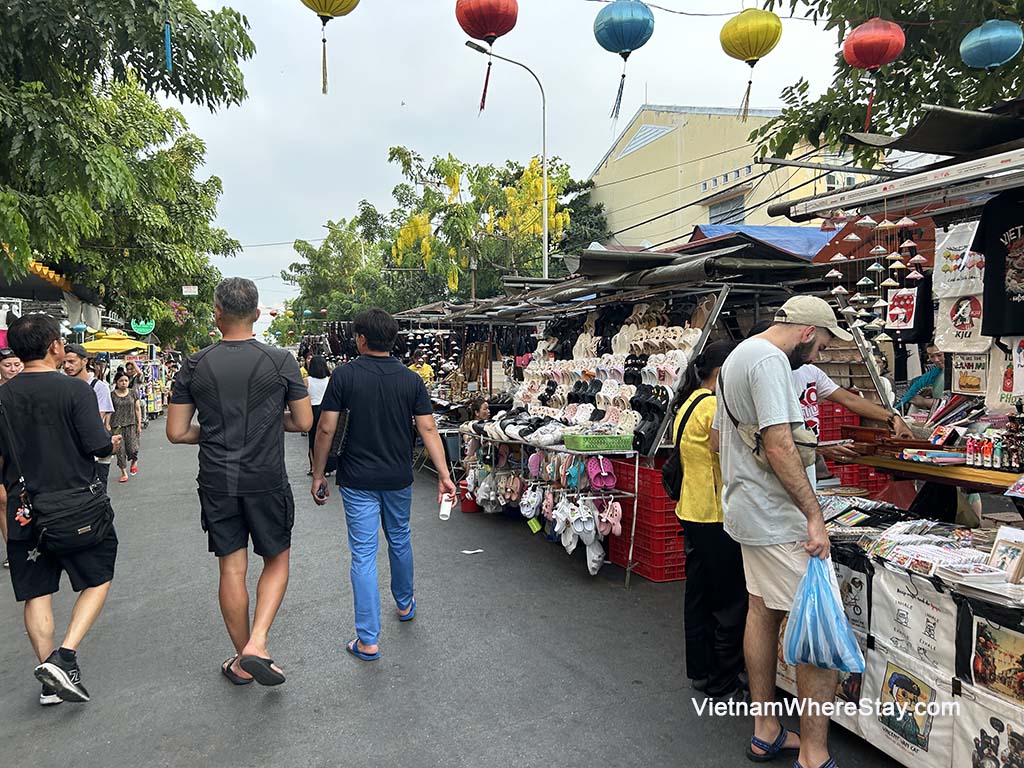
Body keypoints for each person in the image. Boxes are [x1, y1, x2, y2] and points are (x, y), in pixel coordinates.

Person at [716, 296, 850, 768]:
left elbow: (722, 440)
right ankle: (814, 754)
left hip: (750, 512)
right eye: (824, 346)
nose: (821, 357)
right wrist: (814, 515)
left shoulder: (740, 354)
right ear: (808, 332)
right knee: (818, 629)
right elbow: (778, 444)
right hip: (779, 519)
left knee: (762, 610)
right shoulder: (772, 360)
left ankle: (766, 729)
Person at [167, 277, 312, 687]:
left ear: (216, 314)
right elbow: (303, 421)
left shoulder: (195, 363)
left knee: (231, 567)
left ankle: (242, 658)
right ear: (258, 312)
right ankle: (258, 644)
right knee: (277, 559)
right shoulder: (281, 360)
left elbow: (176, 432)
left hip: (217, 479)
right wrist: (267, 425)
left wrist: (214, 430)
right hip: (265, 477)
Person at [311, 308, 456, 662]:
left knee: (363, 555)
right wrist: (444, 474)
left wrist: (318, 473)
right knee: (399, 539)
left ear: (361, 339)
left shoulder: (344, 376)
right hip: (397, 477)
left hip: (357, 479)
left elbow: (326, 428)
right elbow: (428, 429)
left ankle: (368, 640)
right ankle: (405, 604)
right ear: (392, 340)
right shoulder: (411, 380)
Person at [0, 314, 121, 705]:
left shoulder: (2, 396)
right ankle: (64, 655)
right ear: (54, 346)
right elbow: (99, 447)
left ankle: (51, 679)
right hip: (75, 508)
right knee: (98, 577)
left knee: (37, 593)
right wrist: (114, 444)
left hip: (24, 509)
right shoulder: (75, 391)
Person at [669, 340, 746, 699]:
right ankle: (723, 680)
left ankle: (700, 670)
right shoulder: (714, 406)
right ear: (724, 370)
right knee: (729, 600)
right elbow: (726, 451)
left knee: (698, 595)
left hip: (691, 509)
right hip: (715, 513)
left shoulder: (688, 403)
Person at [746, 320, 913, 475]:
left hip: (808, 459)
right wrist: (820, 450)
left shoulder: (809, 372)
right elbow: (773, 441)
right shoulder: (763, 376)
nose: (816, 357)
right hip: (779, 468)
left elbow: (849, 399)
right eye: (820, 348)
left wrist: (892, 418)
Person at [63, 344, 115, 488]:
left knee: (98, 493)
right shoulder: (63, 387)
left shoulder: (99, 387)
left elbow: (96, 422)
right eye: (64, 362)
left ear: (84, 361)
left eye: (71, 362)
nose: (67, 366)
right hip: (70, 453)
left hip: (95, 452)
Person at [0, 348, 21, 568]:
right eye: (8, 365)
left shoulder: (27, 390)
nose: (13, 369)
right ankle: (12, 549)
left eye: (17, 365)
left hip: (25, 453)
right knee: (3, 501)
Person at [305, 355, 336, 477]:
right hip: (327, 410)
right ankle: (327, 466)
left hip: (312, 411)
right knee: (328, 438)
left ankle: (313, 467)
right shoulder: (330, 380)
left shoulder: (306, 381)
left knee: (313, 439)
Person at [110, 372, 143, 483]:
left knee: (133, 448)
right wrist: (107, 425)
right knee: (120, 451)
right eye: (121, 381)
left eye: (125, 380)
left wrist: (139, 424)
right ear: (116, 382)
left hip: (131, 424)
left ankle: (134, 460)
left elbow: (137, 409)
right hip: (117, 426)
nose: (123, 383)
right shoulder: (112, 395)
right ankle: (123, 472)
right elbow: (109, 411)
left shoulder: (133, 393)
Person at [897, 342, 945, 410]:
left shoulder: (956, 372)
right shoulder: (936, 372)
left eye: (939, 355)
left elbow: (955, 402)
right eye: (932, 356)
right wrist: (933, 390)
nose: (936, 360)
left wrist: (924, 402)